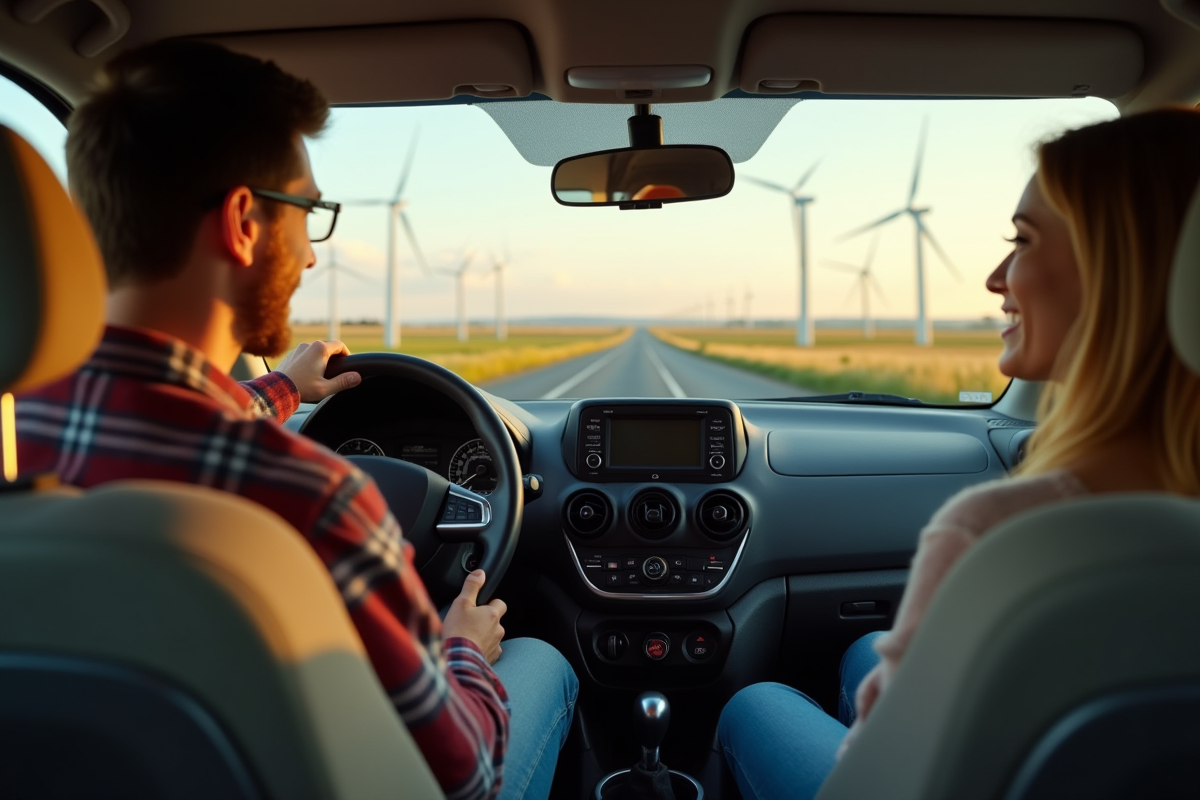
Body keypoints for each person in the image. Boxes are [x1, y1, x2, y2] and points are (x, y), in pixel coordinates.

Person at [15, 40, 576, 800]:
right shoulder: (311, 499)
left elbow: (168, 418)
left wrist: (283, 387)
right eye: (308, 211)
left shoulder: (21, 447)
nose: (312, 255)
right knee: (542, 663)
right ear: (245, 220)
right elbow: (465, 776)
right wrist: (460, 650)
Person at [717, 106, 1200, 800]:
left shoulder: (996, 534)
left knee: (754, 704)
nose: (996, 278)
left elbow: (874, 778)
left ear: (1120, 271)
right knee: (864, 654)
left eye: (1024, 242)